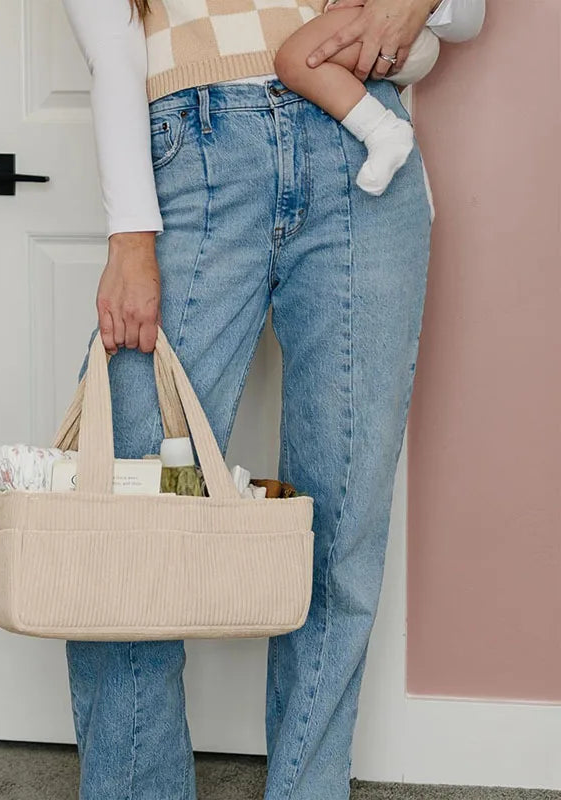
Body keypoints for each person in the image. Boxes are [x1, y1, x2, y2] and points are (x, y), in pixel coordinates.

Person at [61, 1, 484, 798]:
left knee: (344, 517)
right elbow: (111, 55)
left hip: (362, 155)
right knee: (128, 514)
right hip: (199, 151)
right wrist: (131, 238)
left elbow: (468, 17)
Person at [274, 0, 484, 194]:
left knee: (295, 60)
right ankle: (386, 134)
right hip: (385, 35)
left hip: (390, 25)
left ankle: (384, 131)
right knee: (298, 61)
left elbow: (469, 18)